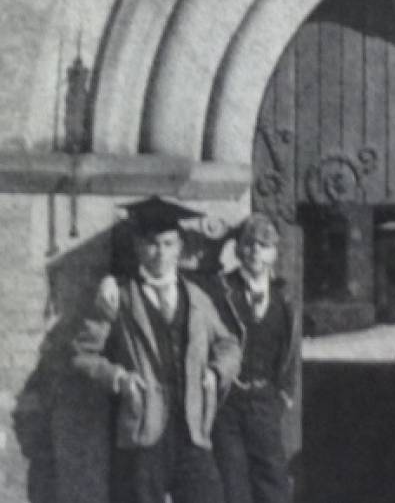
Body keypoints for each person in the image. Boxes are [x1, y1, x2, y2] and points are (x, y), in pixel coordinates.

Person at [72, 195, 241, 503]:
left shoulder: (197, 298)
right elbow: (82, 355)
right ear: (138, 246)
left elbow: (229, 344)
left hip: (192, 429)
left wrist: (216, 374)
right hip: (143, 432)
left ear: (179, 248)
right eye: (151, 244)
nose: (160, 253)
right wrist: (119, 379)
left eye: (167, 244)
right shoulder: (119, 297)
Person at [208, 213, 296, 503]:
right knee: (233, 485)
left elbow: (287, 350)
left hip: (265, 402)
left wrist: (283, 394)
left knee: (273, 482)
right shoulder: (220, 291)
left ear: (275, 252)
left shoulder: (283, 301)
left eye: (264, 244)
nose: (256, 251)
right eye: (248, 244)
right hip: (228, 403)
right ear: (237, 249)